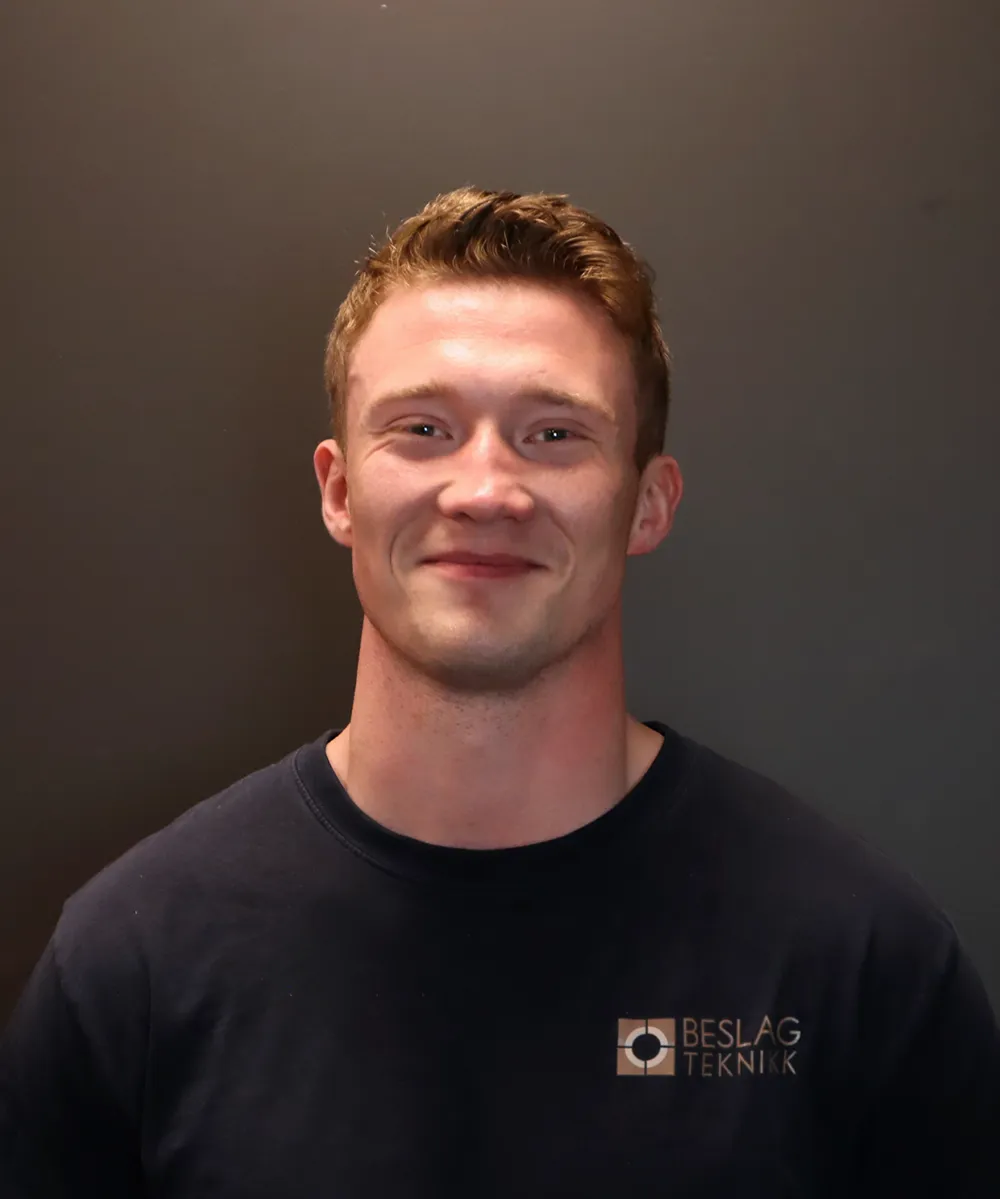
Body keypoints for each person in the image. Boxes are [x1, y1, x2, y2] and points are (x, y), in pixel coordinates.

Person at [1, 186, 997, 1198]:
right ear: (339, 490)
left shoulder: (860, 964)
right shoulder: (132, 962)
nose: (483, 490)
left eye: (554, 434)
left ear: (647, 503)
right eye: (422, 427)